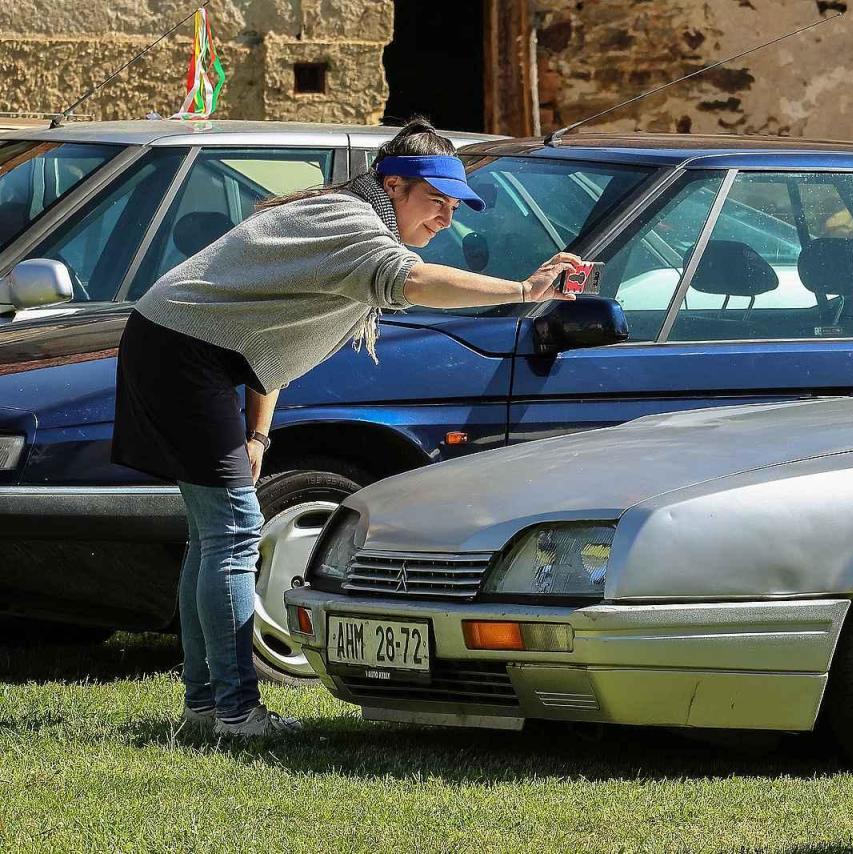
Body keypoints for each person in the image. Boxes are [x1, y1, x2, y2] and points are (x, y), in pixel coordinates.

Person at [111, 118, 579, 737]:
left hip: (183, 347)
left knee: (215, 536)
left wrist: (258, 436)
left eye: (455, 206)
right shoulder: (351, 224)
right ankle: (233, 711)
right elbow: (411, 282)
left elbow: (270, 340)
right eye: (435, 200)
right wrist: (522, 289)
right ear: (393, 186)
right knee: (234, 531)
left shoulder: (351, 222)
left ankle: (207, 708)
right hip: (184, 353)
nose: (445, 218)